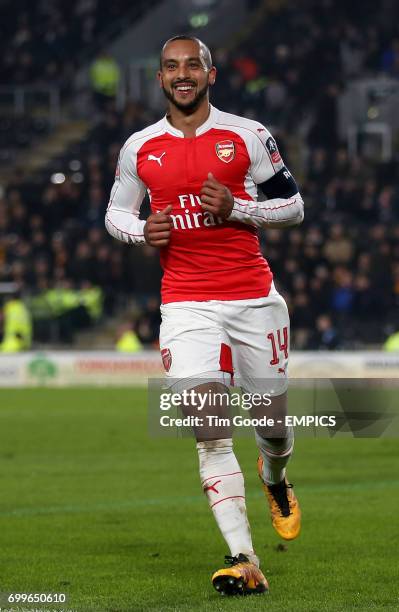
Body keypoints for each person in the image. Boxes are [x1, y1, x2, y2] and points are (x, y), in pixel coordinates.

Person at [105, 35, 304, 596]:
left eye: (193, 65)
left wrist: (237, 208)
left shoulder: (247, 135)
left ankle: (276, 478)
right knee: (211, 430)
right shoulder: (139, 148)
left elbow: (293, 206)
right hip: (185, 302)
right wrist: (140, 230)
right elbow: (116, 215)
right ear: (160, 79)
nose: (182, 74)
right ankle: (244, 557)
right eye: (172, 67)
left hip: (252, 298)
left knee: (273, 424)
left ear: (210, 74)